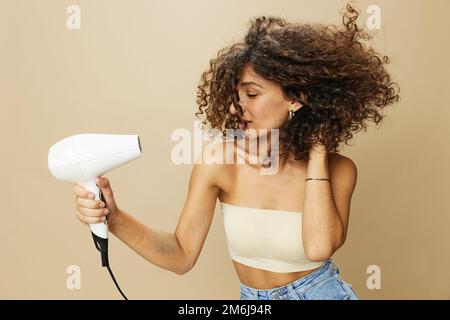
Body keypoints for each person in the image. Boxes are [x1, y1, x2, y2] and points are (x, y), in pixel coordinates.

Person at [72, 3, 399, 300]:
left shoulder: (339, 169)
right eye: (236, 95)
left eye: (252, 94)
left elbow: (318, 247)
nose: (237, 106)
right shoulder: (219, 162)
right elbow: (182, 255)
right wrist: (114, 219)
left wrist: (317, 151)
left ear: (295, 98)